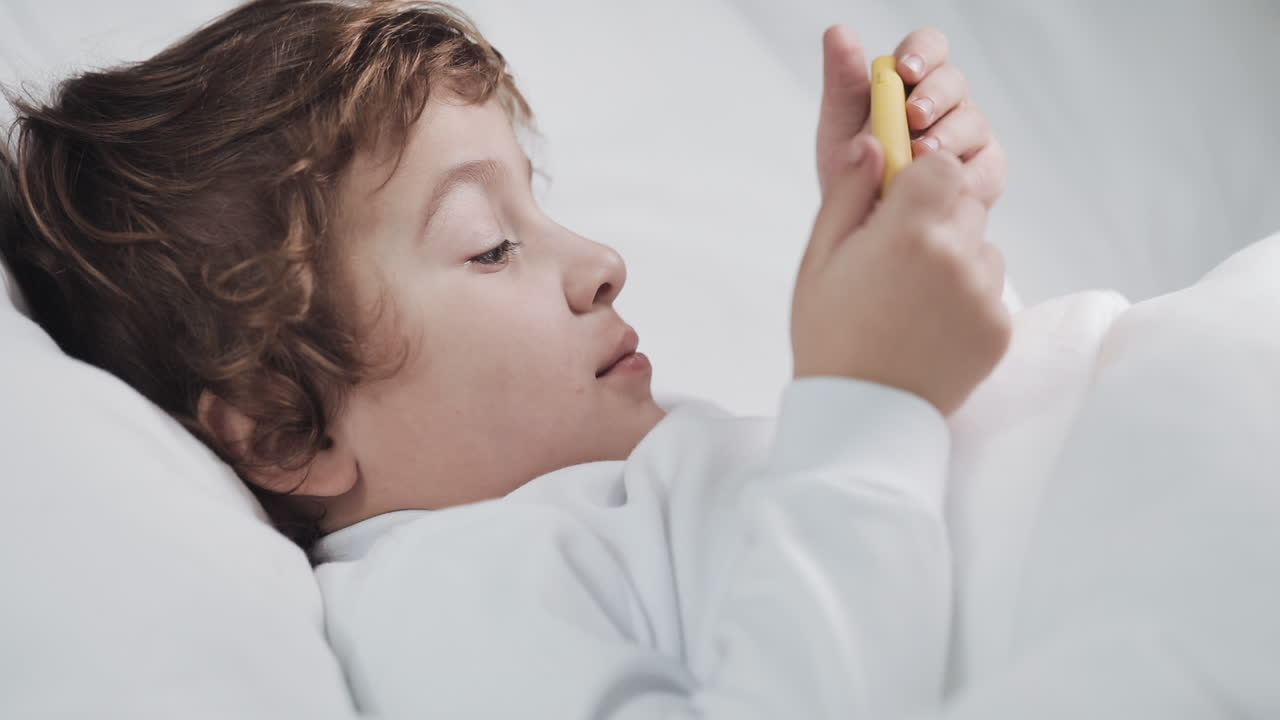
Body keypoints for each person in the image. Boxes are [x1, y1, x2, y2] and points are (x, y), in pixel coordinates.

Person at [0, 0, 1010, 716]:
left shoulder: (613, 490)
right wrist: (870, 409)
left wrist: (916, 247)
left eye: (541, 204)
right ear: (283, 429)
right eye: (489, 244)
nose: (602, 264)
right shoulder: (438, 600)